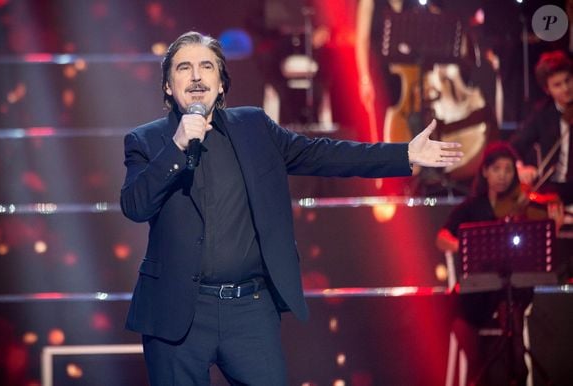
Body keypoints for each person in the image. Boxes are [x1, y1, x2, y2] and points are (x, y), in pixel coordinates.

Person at [120, 31, 461, 386]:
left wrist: (403, 154)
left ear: (221, 84)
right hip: (177, 314)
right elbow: (135, 205)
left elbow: (323, 154)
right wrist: (177, 147)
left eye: (206, 66)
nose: (195, 76)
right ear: (167, 86)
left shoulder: (253, 127)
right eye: (184, 67)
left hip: (249, 310)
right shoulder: (146, 141)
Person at [436, 141, 563, 386]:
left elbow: (541, 237)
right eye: (496, 169)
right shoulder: (472, 207)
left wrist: (553, 226)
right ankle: (476, 373)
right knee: (458, 311)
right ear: (485, 171)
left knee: (511, 306)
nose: (503, 176)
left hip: (512, 287)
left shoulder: (523, 205)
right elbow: (441, 238)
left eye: (508, 170)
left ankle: (517, 371)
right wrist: (464, 246)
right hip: (477, 288)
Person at [511, 50, 573, 206]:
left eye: (568, 80)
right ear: (547, 90)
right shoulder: (542, 113)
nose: (566, 88)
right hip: (552, 188)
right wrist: (522, 168)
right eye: (557, 85)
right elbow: (515, 146)